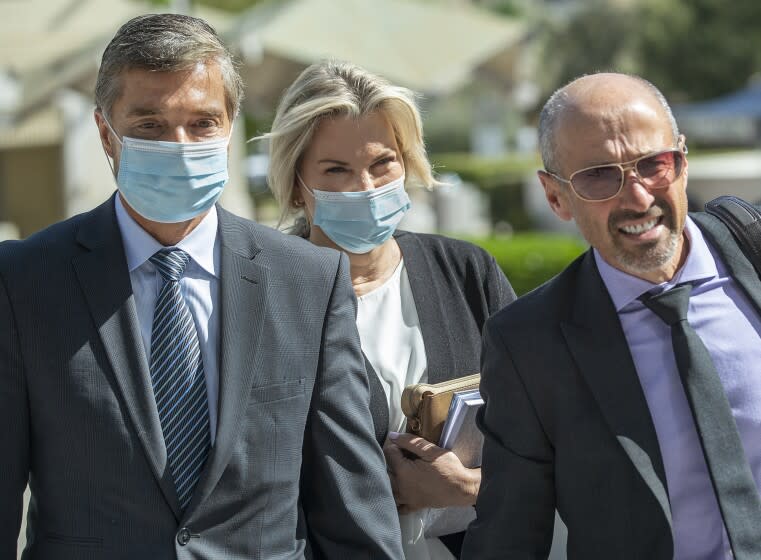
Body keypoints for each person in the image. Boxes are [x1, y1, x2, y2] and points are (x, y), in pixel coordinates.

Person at [0, 14, 403, 559]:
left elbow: (352, 502)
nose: (181, 144)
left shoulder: (307, 280)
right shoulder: (25, 280)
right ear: (105, 133)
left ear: (230, 124)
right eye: (150, 125)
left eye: (202, 122)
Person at [462, 72, 761, 559]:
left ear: (681, 162)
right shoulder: (529, 344)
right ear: (555, 196)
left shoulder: (754, 256)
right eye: (600, 176)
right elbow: (510, 536)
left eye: (653, 164)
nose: (638, 196)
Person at [259, 60, 516, 559]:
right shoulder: (263, 297)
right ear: (296, 185)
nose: (366, 187)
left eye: (383, 163)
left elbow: (547, 429)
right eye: (336, 170)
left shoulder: (466, 272)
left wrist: (467, 489)